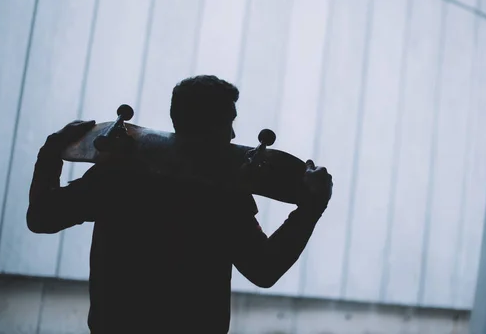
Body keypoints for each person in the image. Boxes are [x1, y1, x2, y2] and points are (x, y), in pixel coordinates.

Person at [27, 75, 333, 333]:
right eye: (228, 122)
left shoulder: (118, 175)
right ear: (214, 128)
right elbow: (264, 270)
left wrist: (51, 152)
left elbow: (41, 217)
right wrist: (311, 208)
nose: (234, 134)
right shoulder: (223, 193)